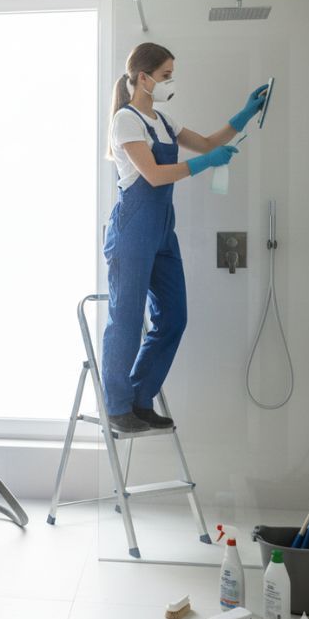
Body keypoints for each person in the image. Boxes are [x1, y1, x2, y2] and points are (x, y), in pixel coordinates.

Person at [102, 42, 266, 433]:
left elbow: (208, 143)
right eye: (165, 75)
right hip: (133, 228)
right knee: (125, 320)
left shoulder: (164, 120)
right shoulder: (126, 121)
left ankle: (140, 399)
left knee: (174, 317)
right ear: (143, 78)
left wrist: (244, 114)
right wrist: (205, 164)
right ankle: (117, 408)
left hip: (161, 229)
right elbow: (155, 175)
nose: (169, 81)